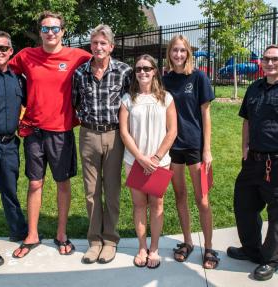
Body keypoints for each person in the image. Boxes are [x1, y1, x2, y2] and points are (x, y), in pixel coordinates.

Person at [9, 11, 92, 258]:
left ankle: (61, 233)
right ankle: (32, 234)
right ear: (40, 32)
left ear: (63, 32)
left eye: (55, 28)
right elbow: (4, 70)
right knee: (35, 183)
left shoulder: (77, 56)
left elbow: (102, 61)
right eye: (46, 29)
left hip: (61, 131)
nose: (51, 33)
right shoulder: (26, 56)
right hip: (33, 130)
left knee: (62, 183)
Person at [72, 24, 132, 264]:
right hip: (88, 135)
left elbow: (131, 103)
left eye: (103, 43)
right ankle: (94, 241)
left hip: (115, 136)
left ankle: (110, 240)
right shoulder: (80, 73)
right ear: (91, 45)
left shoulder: (124, 72)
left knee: (113, 190)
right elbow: (75, 102)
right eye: (95, 43)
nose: (98, 47)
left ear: (111, 47)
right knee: (91, 191)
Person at [163, 35, 219, 269]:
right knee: (180, 196)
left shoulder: (198, 77)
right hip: (173, 147)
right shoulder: (164, 79)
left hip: (194, 145)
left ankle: (208, 247)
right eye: (174, 50)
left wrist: (207, 150)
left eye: (182, 51)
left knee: (202, 199)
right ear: (169, 53)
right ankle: (187, 242)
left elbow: (205, 114)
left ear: (188, 53)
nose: (178, 54)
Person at [120, 54, 177, 268]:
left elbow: (172, 131)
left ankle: (154, 248)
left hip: (159, 163)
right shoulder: (128, 99)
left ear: (154, 71)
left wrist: (155, 158)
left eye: (146, 68)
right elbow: (124, 133)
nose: (142, 72)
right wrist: (141, 158)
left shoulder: (166, 98)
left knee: (157, 204)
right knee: (138, 205)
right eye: (138, 69)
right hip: (134, 161)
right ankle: (142, 247)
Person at [227, 44, 278, 281]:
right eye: (266, 59)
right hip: (253, 160)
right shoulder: (253, 88)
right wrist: (244, 148)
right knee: (244, 204)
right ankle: (251, 248)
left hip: (276, 162)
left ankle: (272, 259)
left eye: (275, 59)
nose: (269, 63)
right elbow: (246, 119)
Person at [0, 30, 28, 267]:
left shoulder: (18, 78)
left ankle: (19, 232)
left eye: (3, 48)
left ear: (10, 51)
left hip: (10, 144)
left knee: (10, 191)